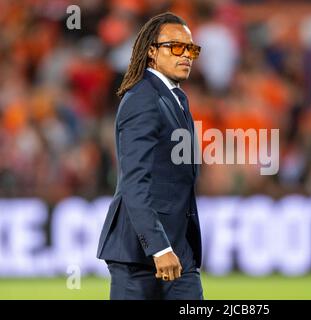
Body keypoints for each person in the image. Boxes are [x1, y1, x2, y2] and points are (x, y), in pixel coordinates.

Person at [96, 12, 203, 300]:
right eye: (176, 47)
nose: (186, 55)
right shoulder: (143, 97)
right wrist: (159, 247)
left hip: (178, 249)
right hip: (140, 256)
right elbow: (134, 182)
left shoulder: (176, 98)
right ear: (152, 52)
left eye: (191, 48)